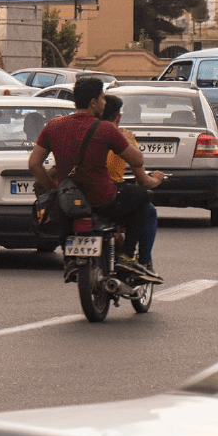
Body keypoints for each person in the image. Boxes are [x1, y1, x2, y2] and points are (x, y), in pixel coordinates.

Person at [29, 77, 164, 282]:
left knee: (69, 218)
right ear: (93, 102)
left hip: (68, 201)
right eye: (102, 98)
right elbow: (138, 159)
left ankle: (71, 258)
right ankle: (127, 257)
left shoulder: (53, 126)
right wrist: (127, 140)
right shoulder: (106, 129)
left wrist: (56, 189)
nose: (104, 103)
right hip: (103, 200)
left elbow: (34, 164)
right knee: (142, 197)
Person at [101, 94, 159, 278]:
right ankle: (140, 261)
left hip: (79, 194)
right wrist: (157, 179)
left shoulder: (80, 132)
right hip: (110, 194)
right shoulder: (122, 137)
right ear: (117, 117)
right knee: (147, 206)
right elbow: (142, 179)